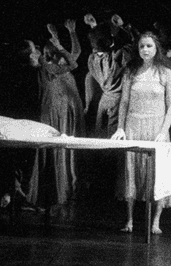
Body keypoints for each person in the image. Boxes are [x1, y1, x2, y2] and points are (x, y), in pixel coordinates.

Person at [111, 31, 171, 234]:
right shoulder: (131, 72)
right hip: (133, 125)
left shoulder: (166, 73)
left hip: (156, 126)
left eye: (149, 46)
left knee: (157, 172)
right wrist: (120, 127)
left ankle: (156, 221)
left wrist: (164, 130)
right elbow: (123, 102)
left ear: (156, 49)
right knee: (131, 170)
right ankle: (129, 220)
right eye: (142, 46)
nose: (145, 50)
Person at [23, 20, 83, 218]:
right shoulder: (47, 67)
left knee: (53, 154)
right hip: (50, 113)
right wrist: (57, 43)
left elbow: (74, 58)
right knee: (49, 155)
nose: (39, 51)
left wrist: (68, 35)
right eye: (36, 49)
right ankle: (46, 196)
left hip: (57, 112)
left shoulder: (52, 67)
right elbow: (73, 63)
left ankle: (51, 195)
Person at [82, 13, 126, 137]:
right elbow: (130, 46)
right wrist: (122, 27)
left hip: (104, 100)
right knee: (113, 136)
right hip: (117, 102)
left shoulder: (92, 59)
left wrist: (93, 26)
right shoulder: (116, 57)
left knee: (100, 134)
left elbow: (99, 43)